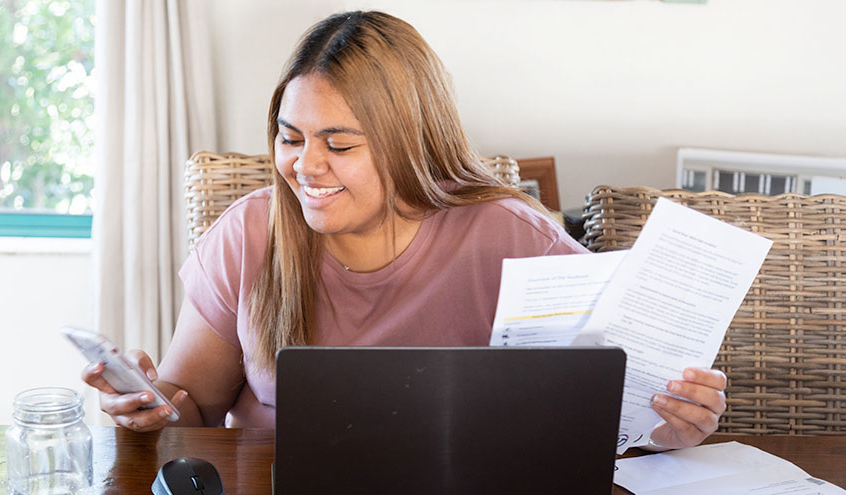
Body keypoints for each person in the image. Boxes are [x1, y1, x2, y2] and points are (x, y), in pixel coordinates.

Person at [83, 10, 726, 451]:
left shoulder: (513, 238)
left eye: (338, 143)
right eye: (290, 137)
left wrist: (668, 425)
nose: (305, 167)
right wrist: (150, 405)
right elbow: (188, 410)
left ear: (408, 144)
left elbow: (605, 418)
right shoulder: (251, 233)